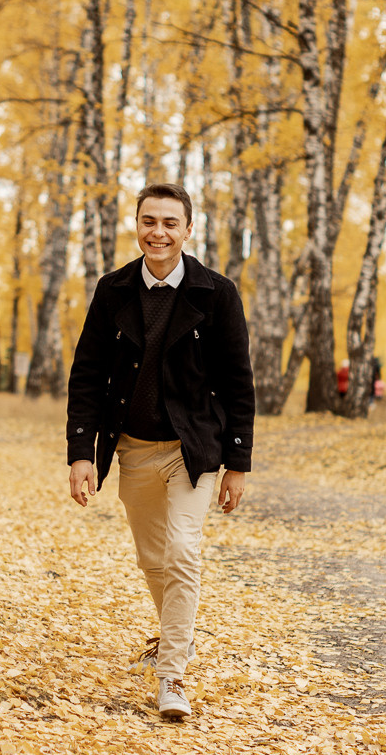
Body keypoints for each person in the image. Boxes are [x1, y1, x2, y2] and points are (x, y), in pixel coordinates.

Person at [66, 183, 255, 722]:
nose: (159, 232)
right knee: (154, 560)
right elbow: (87, 374)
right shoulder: (113, 290)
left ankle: (172, 674)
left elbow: (239, 383)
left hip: (193, 451)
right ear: (137, 225)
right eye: (150, 221)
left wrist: (237, 463)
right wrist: (83, 451)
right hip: (133, 449)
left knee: (183, 552)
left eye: (171, 223)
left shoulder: (216, 294)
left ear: (188, 230)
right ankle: (181, 636)